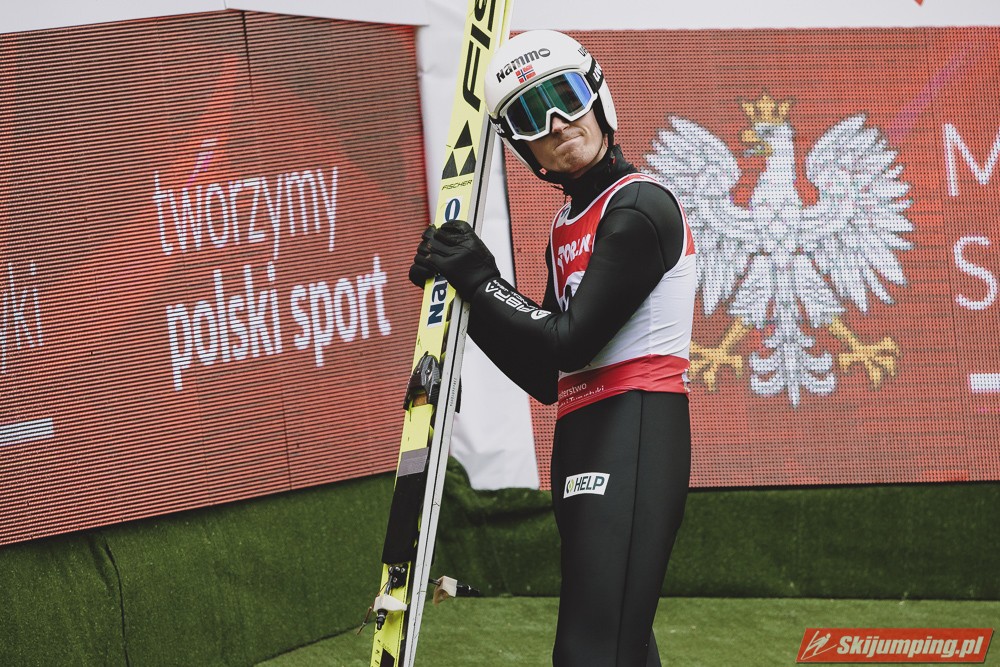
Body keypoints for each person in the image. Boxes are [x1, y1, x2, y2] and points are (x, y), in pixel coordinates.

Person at [409, 29, 695, 666]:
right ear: (523, 149)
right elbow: (545, 373)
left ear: (598, 97)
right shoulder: (568, 224)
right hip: (583, 432)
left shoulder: (639, 208)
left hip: (636, 426)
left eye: (566, 98)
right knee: (620, 647)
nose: (558, 124)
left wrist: (482, 282)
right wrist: (465, 298)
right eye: (531, 117)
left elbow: (571, 341)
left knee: (591, 650)